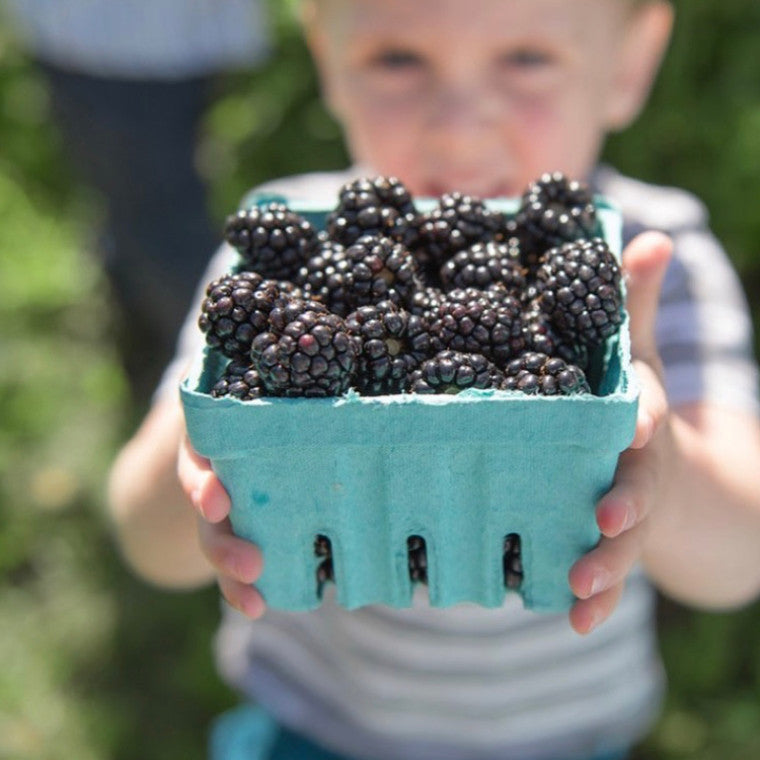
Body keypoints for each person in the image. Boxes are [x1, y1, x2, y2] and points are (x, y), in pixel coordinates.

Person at [107, 1, 760, 758]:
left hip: (563, 731)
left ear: (630, 64)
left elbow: (743, 555)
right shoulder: (278, 254)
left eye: (526, 59)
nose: (458, 123)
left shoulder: (659, 260)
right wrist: (208, 461)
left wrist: (667, 474)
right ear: (329, 62)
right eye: (398, 60)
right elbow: (143, 538)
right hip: (319, 720)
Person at [3, 0, 271, 407]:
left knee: (159, 230)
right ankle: (147, 366)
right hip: (152, 36)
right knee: (129, 211)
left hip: (117, 44)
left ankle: (214, 384)